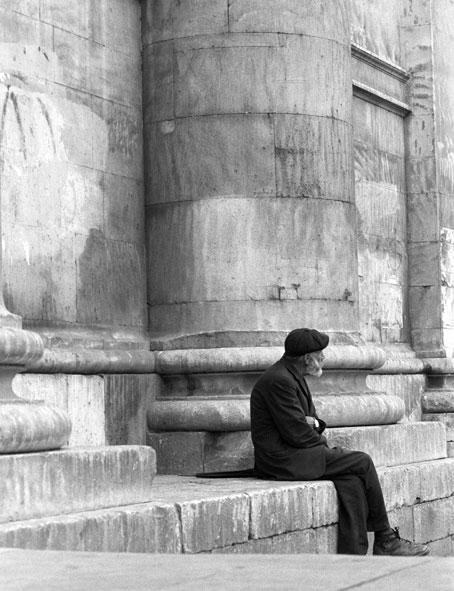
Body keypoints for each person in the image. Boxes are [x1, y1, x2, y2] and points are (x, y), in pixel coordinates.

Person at [250, 327, 430, 556]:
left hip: (296, 453)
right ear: (307, 358)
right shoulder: (279, 380)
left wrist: (312, 426)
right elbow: (297, 432)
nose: (323, 358)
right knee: (363, 462)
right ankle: (386, 539)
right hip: (282, 460)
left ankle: (352, 555)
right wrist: (315, 430)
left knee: (352, 480)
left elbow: (313, 422)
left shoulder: (293, 377)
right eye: (319, 354)